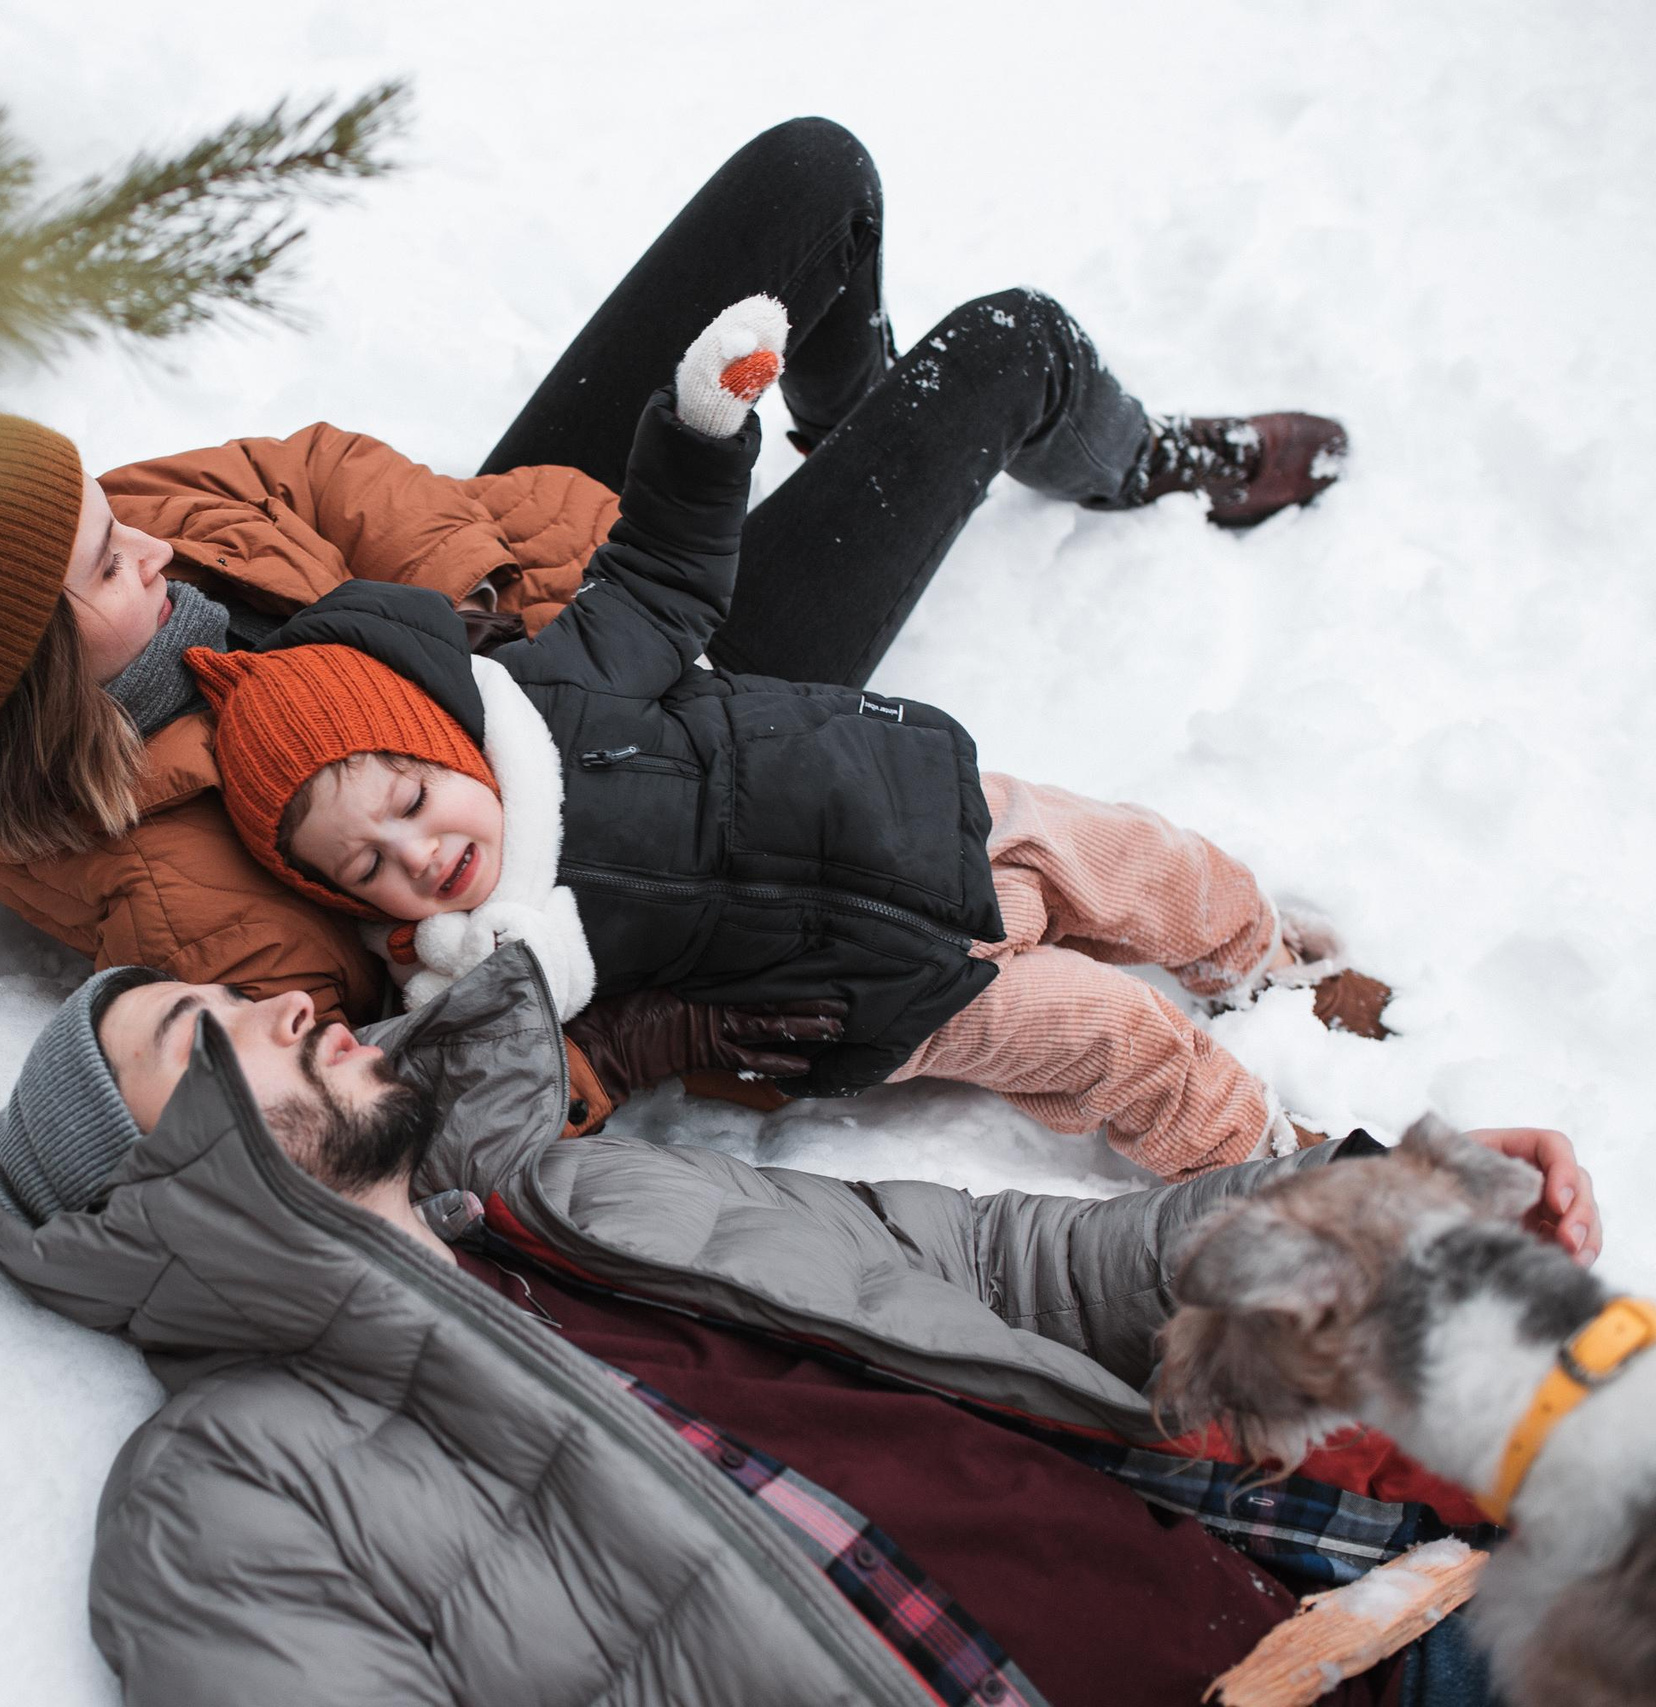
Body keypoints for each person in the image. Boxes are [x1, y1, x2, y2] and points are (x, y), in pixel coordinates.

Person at [0, 118, 1347, 1132]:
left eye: (118, 518)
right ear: (41, 676)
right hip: (686, 731)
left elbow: (314, 467)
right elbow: (463, 1020)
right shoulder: (166, 885)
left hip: (577, 604)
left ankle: (863, 432)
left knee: (813, 179)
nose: (159, 536)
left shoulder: (84, 531)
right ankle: (1114, 453)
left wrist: (480, 615)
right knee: (1010, 344)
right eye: (116, 566)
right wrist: (554, 705)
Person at [0, 945, 1602, 1706]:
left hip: (1334, 1620)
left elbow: (1031, 1274)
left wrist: (1396, 1191)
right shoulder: (223, 1492)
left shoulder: (580, 1204)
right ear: (149, 1179)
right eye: (209, 1031)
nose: (287, 1002)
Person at [180, 298, 1367, 1179]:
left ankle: (1266, 960)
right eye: (364, 869)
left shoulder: (561, 686)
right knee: (1116, 1041)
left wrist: (700, 433)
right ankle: (1267, 1171)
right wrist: (653, 1038)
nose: (411, 856)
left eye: (404, 800)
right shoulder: (493, 970)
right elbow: (510, 1088)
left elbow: (658, 572)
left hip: (916, 807)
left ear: (440, 732)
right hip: (885, 1003)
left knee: (1150, 865)